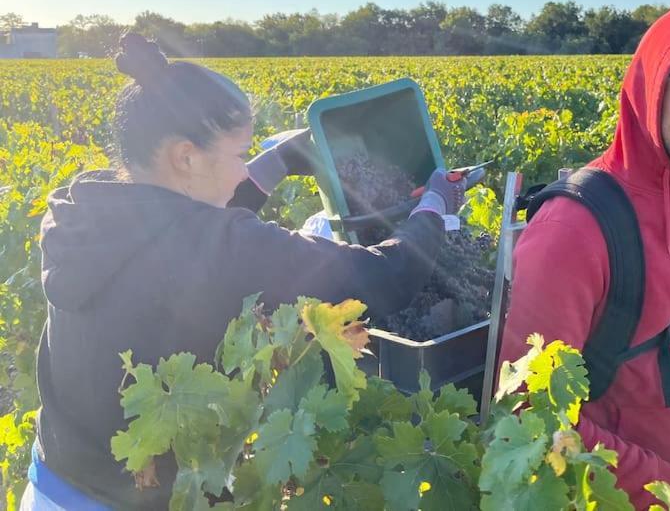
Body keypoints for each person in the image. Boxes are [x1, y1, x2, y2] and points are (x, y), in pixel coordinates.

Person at [24, 34, 465, 509]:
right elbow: (385, 277)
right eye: (239, 154)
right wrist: (435, 207)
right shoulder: (222, 248)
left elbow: (183, 222)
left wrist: (275, 164)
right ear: (186, 156)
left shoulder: (86, 210)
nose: (242, 172)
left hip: (52, 485)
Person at [499, 4, 670, 509]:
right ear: (654, 85)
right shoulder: (574, 229)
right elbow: (530, 415)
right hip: (594, 493)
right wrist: (669, 489)